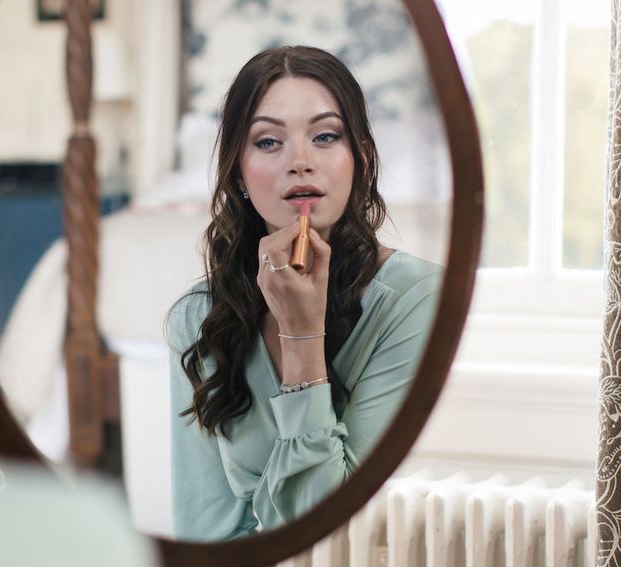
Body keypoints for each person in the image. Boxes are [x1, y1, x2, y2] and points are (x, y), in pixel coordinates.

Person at [168, 46, 442, 541]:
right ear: (238, 175)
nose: (300, 162)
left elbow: (331, 528)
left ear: (358, 158)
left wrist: (301, 334)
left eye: (324, 136)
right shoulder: (199, 317)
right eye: (269, 142)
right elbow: (203, 531)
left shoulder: (417, 300)